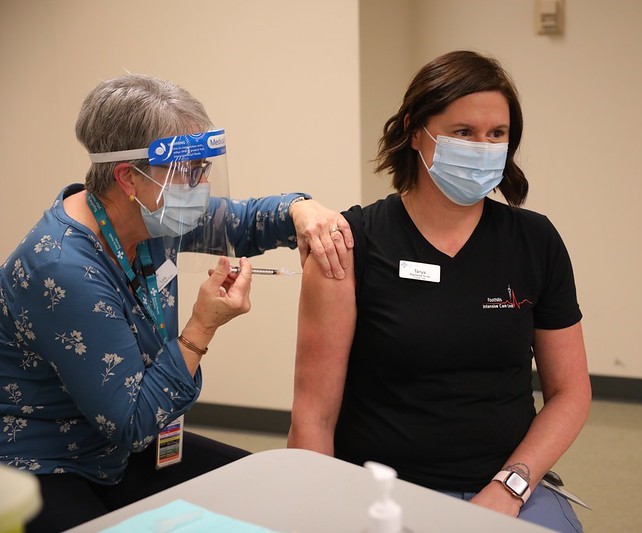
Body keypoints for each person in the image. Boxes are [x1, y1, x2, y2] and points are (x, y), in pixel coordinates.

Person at [0, 73, 353, 532]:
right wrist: (201, 327)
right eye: (190, 171)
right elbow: (133, 423)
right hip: (45, 459)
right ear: (128, 177)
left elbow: (241, 223)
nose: (201, 185)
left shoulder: (152, 216)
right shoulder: (62, 268)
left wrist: (301, 209)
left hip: (119, 449)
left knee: (266, 491)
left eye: (205, 168)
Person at [287, 51, 591, 532]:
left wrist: (509, 488)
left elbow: (570, 392)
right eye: (463, 132)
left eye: (497, 135)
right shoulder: (350, 243)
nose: (483, 147)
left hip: (508, 484)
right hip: (380, 489)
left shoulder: (535, 241)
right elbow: (313, 416)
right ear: (414, 131)